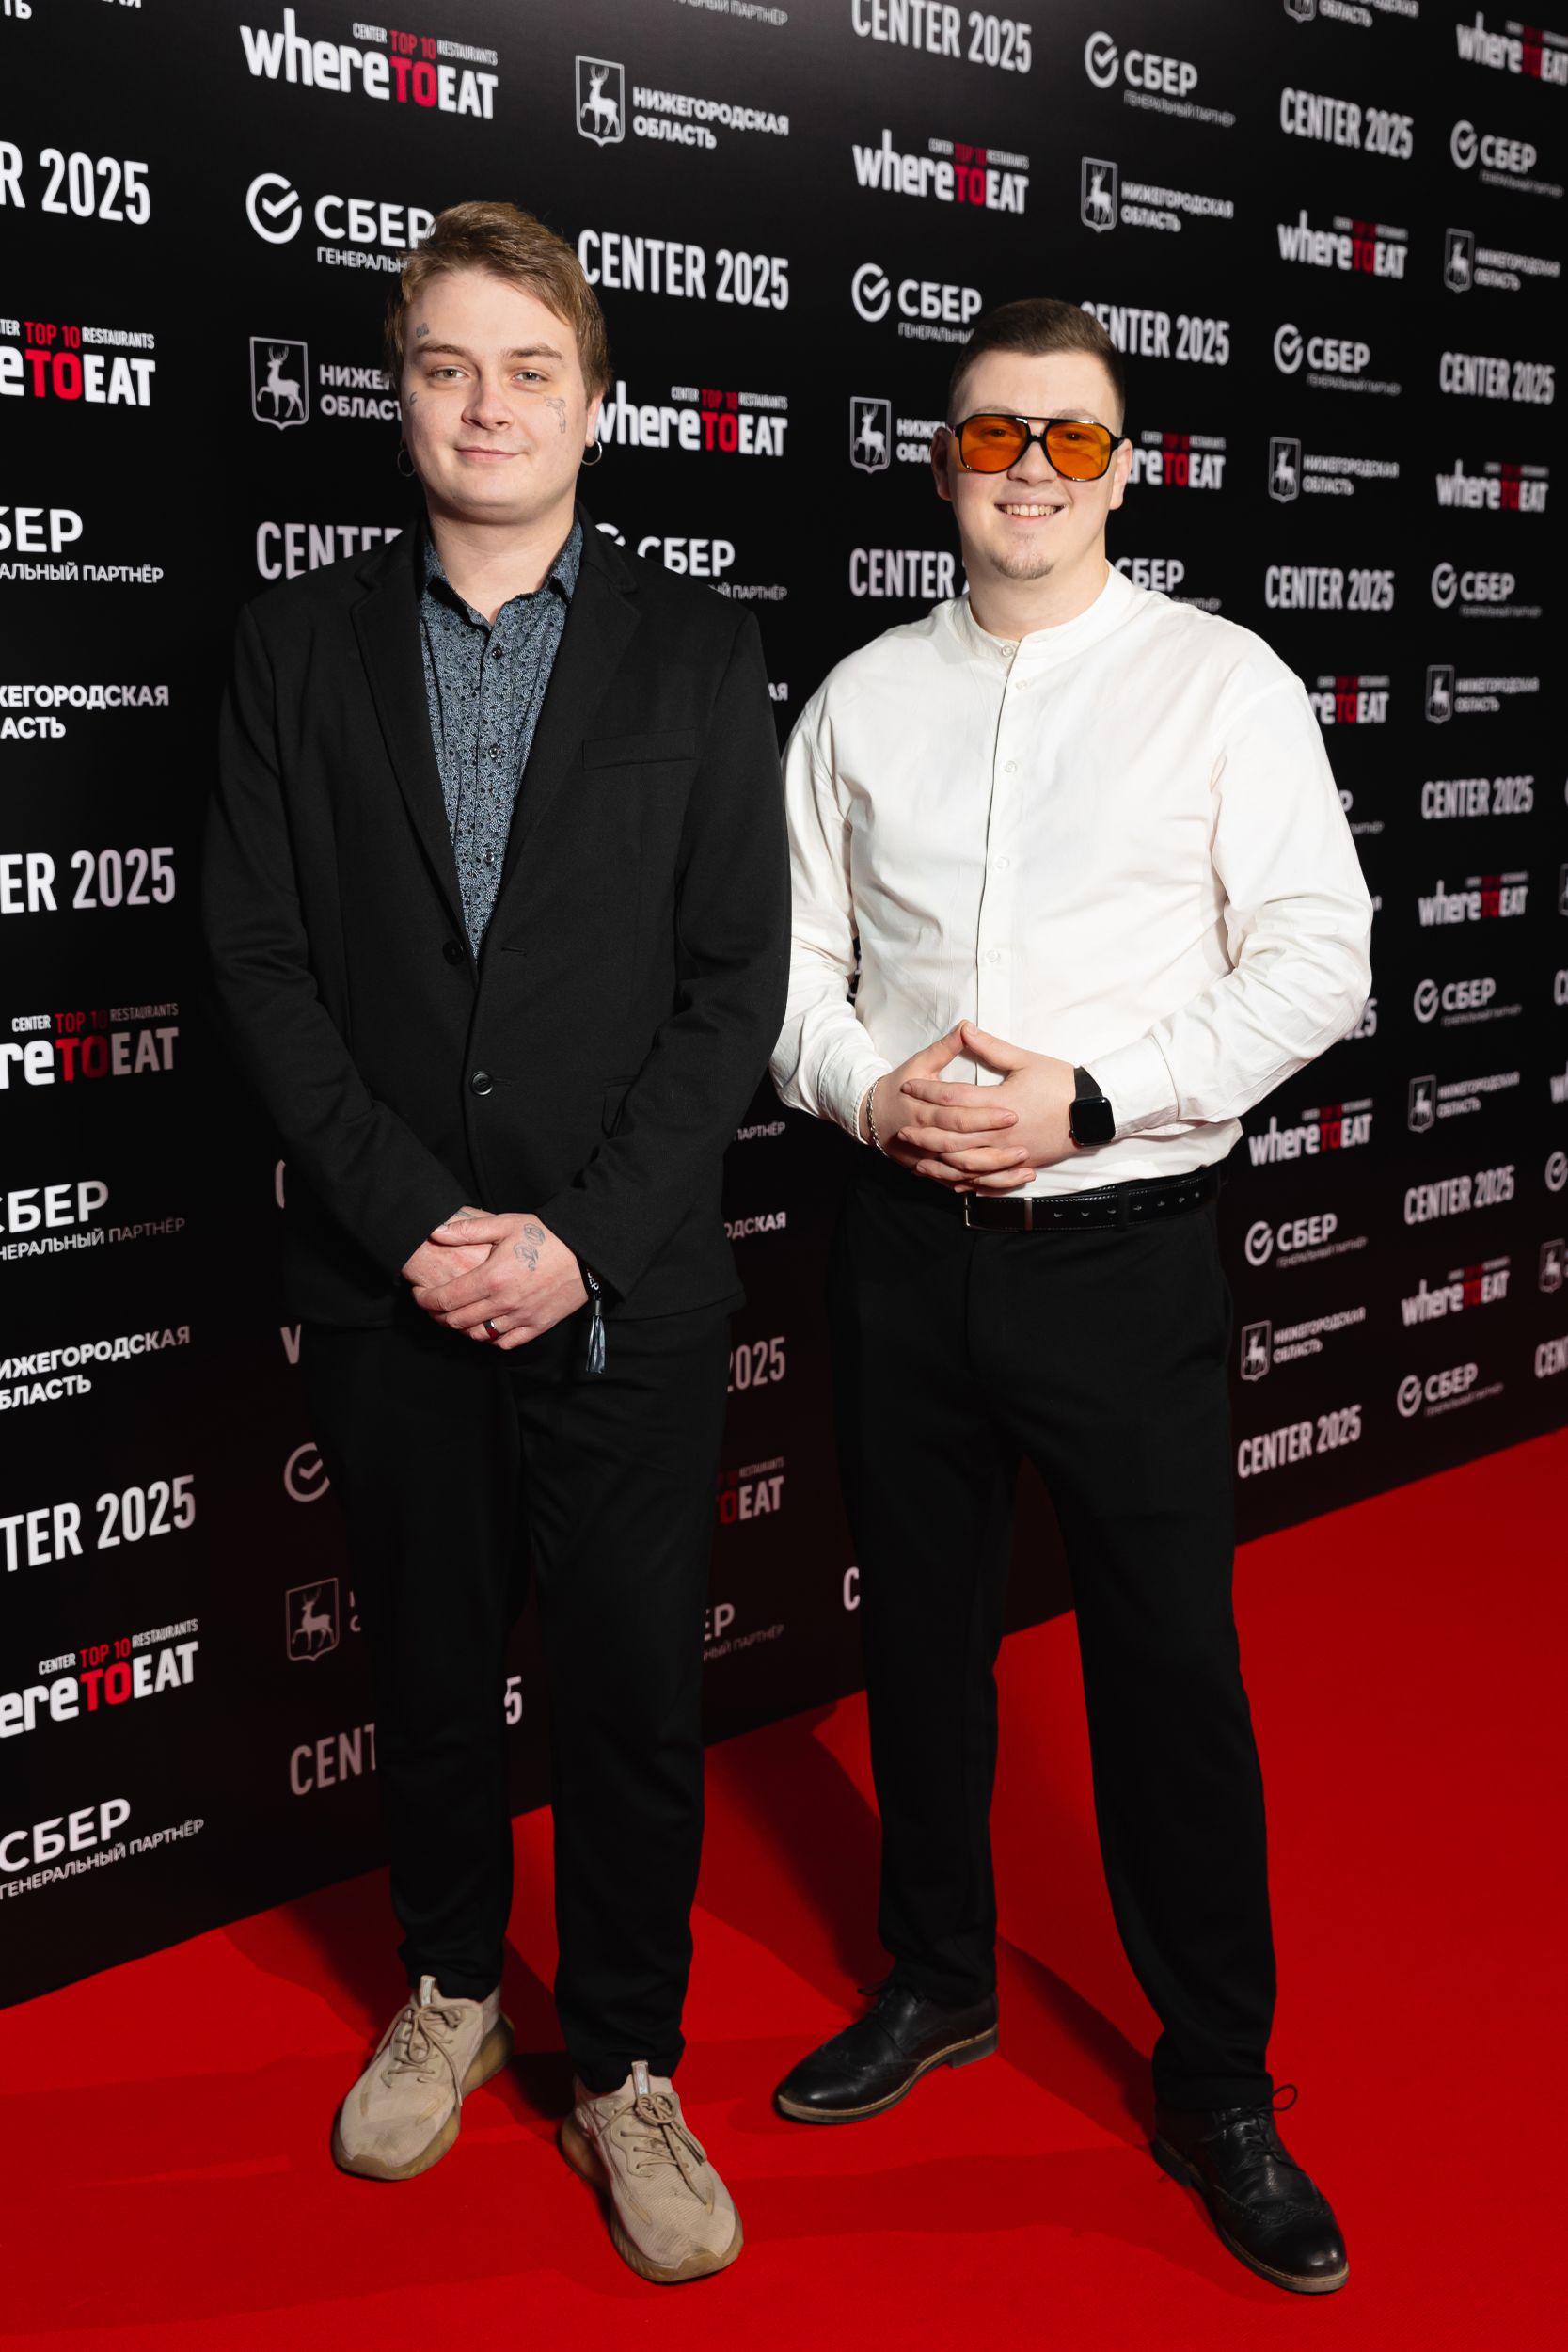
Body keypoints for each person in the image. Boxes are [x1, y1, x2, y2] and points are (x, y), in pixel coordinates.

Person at [204, 201, 787, 2284]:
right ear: (401, 394)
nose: (488, 406)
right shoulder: (296, 645)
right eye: (448, 366)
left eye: (530, 369)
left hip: (621, 1291)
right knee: (431, 1672)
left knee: (630, 1696)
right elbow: (259, 963)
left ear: (594, 403)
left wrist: (576, 1241)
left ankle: (623, 2060)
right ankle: (452, 1985)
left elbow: (732, 985)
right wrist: (416, 1220)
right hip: (394, 1288)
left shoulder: (699, 651)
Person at [768, 298, 1370, 2296]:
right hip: (899, 1248)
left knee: (1169, 1670)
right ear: (943, 458)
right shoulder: (858, 702)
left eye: (1073, 438)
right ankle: (939, 1975)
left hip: (1122, 1254)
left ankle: (1219, 2079)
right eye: (994, 433)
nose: (1030, 469)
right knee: (921, 1644)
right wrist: (869, 1091)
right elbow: (788, 973)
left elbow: (1322, 959)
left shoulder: (1221, 683)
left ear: (1125, 470)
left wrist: (1093, 1096)